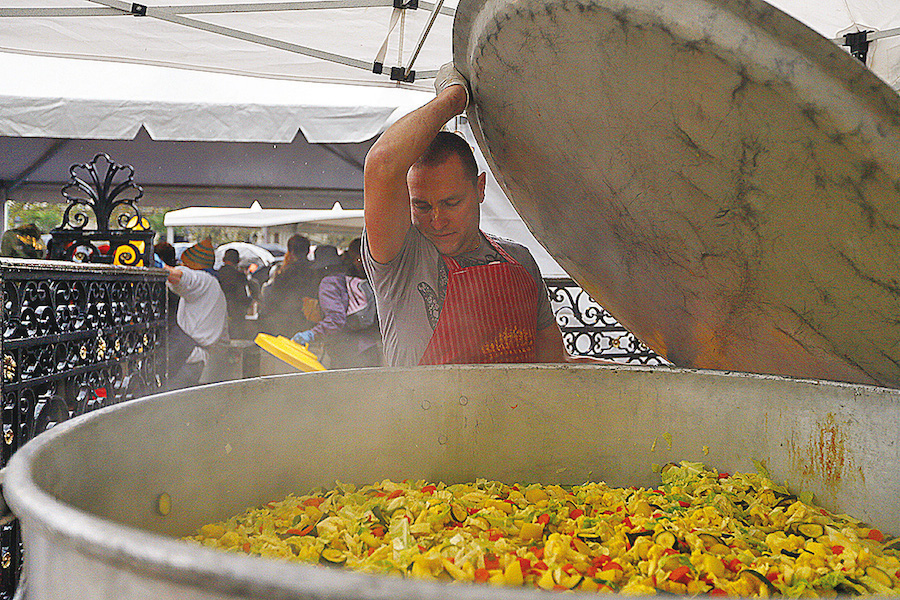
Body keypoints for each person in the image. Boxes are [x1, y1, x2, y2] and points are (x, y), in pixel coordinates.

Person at [362, 64, 609, 367]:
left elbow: (554, 364)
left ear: (480, 188)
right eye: (422, 206)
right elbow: (382, 164)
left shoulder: (521, 262)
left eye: (452, 203)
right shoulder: (401, 259)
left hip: (516, 415)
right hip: (427, 415)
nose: (437, 221)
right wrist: (455, 98)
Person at [292, 238, 382, 368]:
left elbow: (336, 319)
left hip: (349, 352)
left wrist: (311, 334)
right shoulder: (350, 279)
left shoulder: (329, 283)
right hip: (369, 348)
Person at [162, 238, 228, 389]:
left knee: (169, 406)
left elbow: (180, 277)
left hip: (187, 357)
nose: (182, 266)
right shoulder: (215, 289)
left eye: (184, 264)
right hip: (198, 359)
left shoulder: (203, 280)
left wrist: (158, 265)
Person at [258, 234, 318, 337]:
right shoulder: (315, 270)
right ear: (307, 251)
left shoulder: (285, 272)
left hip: (286, 321)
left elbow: (274, 298)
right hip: (309, 322)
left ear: (290, 251)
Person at [216, 247, 253, 339]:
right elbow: (245, 296)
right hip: (236, 315)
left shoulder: (216, 275)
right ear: (238, 261)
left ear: (223, 259)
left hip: (218, 314)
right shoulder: (240, 277)